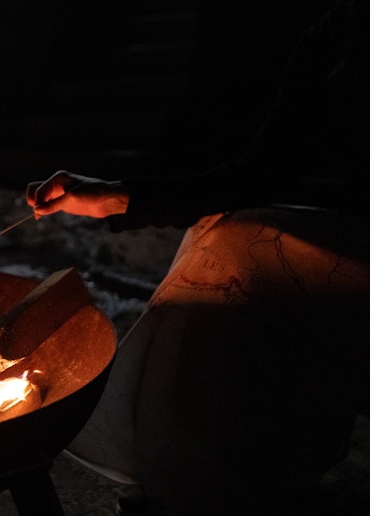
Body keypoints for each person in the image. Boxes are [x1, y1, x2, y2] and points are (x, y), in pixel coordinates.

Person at [26, 1, 369, 514]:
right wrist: (116, 197)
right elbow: (258, 174)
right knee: (223, 232)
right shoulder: (338, 31)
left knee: (243, 251)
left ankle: (215, 470)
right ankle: (205, 465)